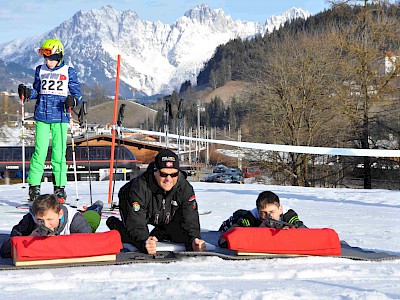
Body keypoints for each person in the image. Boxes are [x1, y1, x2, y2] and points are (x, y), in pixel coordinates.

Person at [18, 38, 83, 202]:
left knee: (59, 155)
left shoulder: (69, 71)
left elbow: (78, 95)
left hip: (60, 118)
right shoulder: (40, 70)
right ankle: (34, 187)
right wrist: (27, 92)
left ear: (59, 56)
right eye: (46, 58)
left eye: (52, 58)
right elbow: (37, 91)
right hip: (41, 116)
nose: (49, 61)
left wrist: (73, 101)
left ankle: (59, 188)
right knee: (39, 153)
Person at [107, 149, 206, 255]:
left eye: (174, 174)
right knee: (131, 238)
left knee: (181, 236)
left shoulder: (185, 188)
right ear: (155, 172)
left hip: (166, 215)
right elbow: (136, 224)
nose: (168, 179)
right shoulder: (138, 188)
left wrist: (194, 240)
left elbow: (190, 220)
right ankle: (115, 224)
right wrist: (143, 241)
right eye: (163, 174)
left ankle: (160, 232)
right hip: (136, 209)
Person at [0, 194, 102, 258]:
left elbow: (89, 246)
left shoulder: (75, 221)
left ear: (60, 214)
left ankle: (96, 208)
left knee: (92, 220)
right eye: (40, 220)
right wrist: (28, 238)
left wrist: (58, 241)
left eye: (50, 220)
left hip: (84, 220)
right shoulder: (30, 220)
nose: (46, 225)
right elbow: (5, 249)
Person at [218, 191, 306, 247]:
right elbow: (223, 241)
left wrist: (292, 233)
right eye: (264, 213)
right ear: (258, 211)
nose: (269, 217)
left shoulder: (288, 216)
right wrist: (257, 231)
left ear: (280, 209)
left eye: (272, 212)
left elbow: (305, 233)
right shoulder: (249, 218)